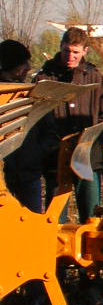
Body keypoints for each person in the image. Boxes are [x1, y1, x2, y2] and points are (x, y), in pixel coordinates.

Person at [36, 27, 103, 221]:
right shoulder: (44, 79)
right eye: (66, 51)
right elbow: (36, 120)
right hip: (55, 158)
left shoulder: (96, 78)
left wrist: (95, 138)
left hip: (88, 158)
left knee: (91, 217)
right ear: (60, 47)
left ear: (84, 51)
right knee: (54, 220)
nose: (70, 56)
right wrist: (49, 142)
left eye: (75, 52)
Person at [0, 39, 57, 213]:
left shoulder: (33, 93)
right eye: (24, 64)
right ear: (14, 65)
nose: (28, 68)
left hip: (28, 173)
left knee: (32, 223)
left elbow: (50, 129)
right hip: (3, 178)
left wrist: (37, 153)